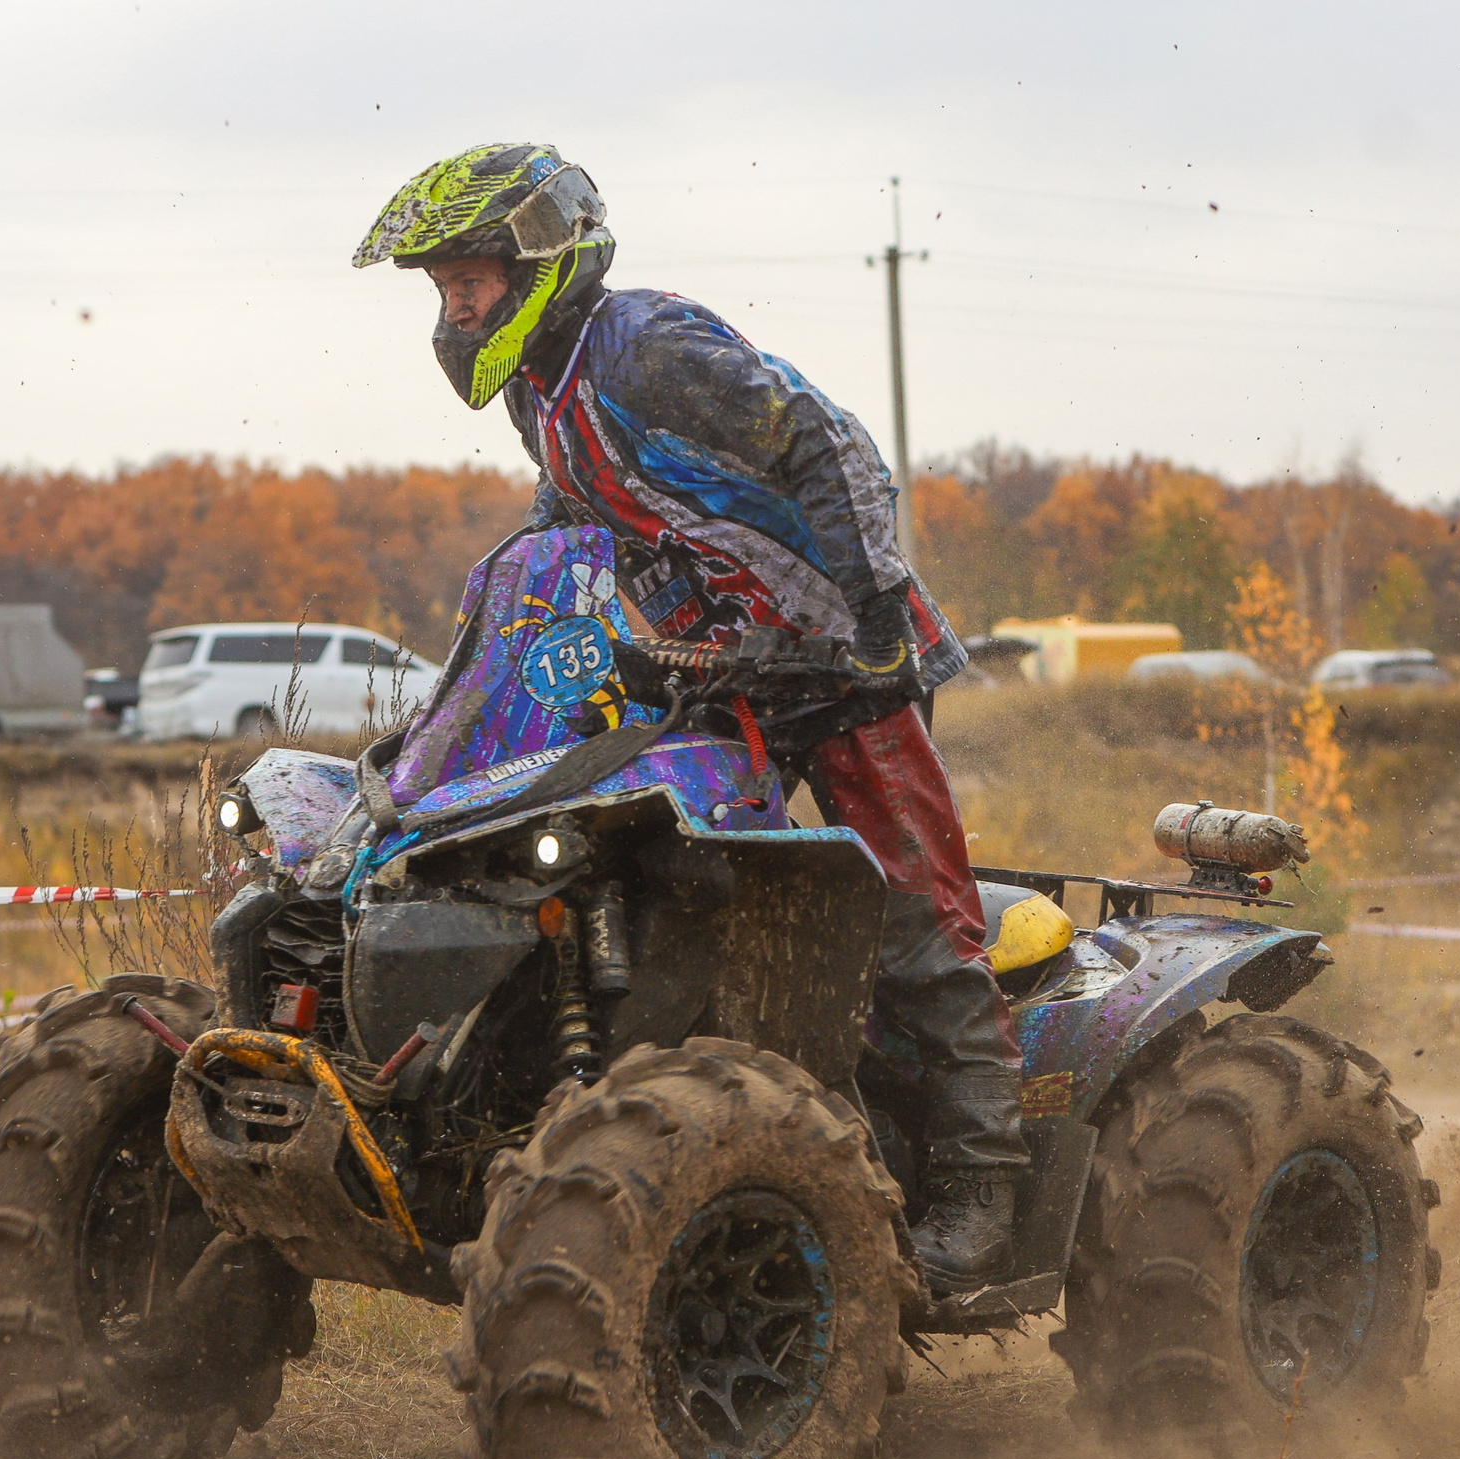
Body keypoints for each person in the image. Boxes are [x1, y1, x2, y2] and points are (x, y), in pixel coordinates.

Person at [354, 143, 1025, 1290]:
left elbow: (833, 446)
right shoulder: (538, 384)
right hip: (714, 660)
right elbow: (572, 510)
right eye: (441, 287)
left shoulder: (650, 348)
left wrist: (869, 614)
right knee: (690, 884)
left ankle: (983, 1181)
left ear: (542, 265)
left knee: (908, 909)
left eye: (468, 280)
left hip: (841, 656)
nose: (454, 306)